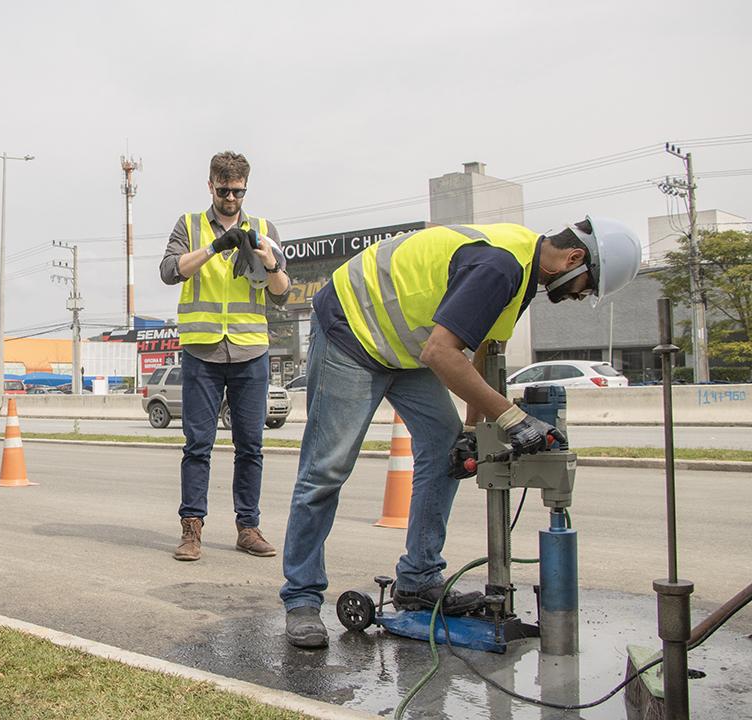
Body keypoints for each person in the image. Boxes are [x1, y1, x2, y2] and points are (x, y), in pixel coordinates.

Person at [280, 217, 642, 649]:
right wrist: (514, 420)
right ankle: (302, 597)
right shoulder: (501, 266)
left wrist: (472, 430)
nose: (581, 295)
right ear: (575, 258)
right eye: (587, 285)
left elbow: (485, 351)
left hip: (405, 348)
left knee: (446, 449)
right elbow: (442, 352)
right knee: (327, 468)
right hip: (352, 330)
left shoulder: (522, 273)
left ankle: (418, 579)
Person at [159, 151, 290, 562]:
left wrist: (268, 260)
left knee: (250, 445)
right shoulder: (190, 225)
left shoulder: (264, 228)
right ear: (210, 185)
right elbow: (169, 271)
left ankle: (247, 527)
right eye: (223, 189)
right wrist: (215, 247)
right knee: (198, 444)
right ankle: (191, 528)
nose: (230, 198)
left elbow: (282, 290)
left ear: (245, 188)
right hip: (203, 351)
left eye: (237, 191)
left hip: (251, 352)